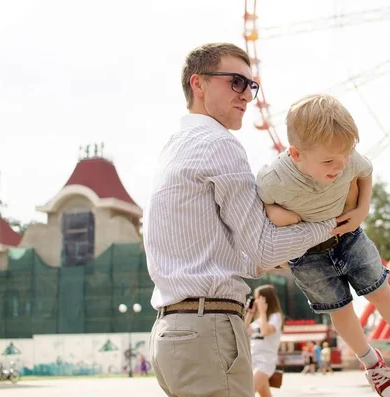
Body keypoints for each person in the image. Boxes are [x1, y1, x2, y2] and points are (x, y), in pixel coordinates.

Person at [144, 43, 336, 397]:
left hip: (171, 331)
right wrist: (329, 225)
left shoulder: (173, 146)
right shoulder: (219, 144)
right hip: (209, 329)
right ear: (198, 84)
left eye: (252, 85)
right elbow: (261, 249)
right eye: (236, 82)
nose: (247, 94)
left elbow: (237, 256)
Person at [256, 93, 390, 397]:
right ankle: (373, 365)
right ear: (295, 154)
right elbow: (261, 204)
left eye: (345, 155)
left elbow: (365, 171)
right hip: (308, 257)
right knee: (340, 310)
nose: (340, 166)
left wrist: (362, 210)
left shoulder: (347, 159)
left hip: (349, 236)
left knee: (380, 291)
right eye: (329, 161)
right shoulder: (274, 178)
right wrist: (282, 216)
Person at [245, 285, 284, 397]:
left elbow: (265, 332)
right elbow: (242, 332)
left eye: (257, 298)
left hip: (265, 363)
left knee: (247, 393)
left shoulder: (275, 317)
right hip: (253, 362)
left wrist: (262, 312)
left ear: (265, 300)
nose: (256, 301)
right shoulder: (258, 321)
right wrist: (250, 313)